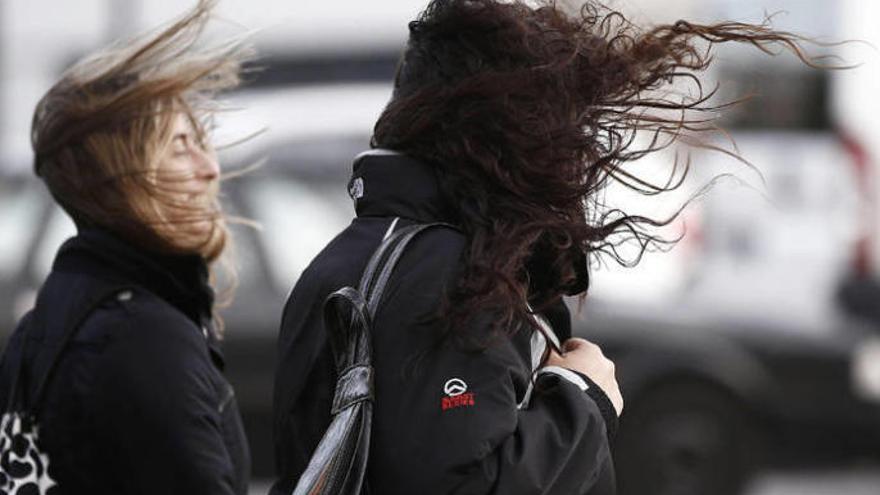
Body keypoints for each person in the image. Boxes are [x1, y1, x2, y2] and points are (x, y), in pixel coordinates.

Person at [272, 1, 821, 494]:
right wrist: (582, 395)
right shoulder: (446, 269)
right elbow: (468, 482)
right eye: (557, 128)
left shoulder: (350, 256)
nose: (575, 154)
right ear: (505, 137)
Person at [0, 1, 252, 493]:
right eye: (179, 147)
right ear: (121, 178)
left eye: (202, 143)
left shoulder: (47, 323)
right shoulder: (142, 339)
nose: (210, 169)